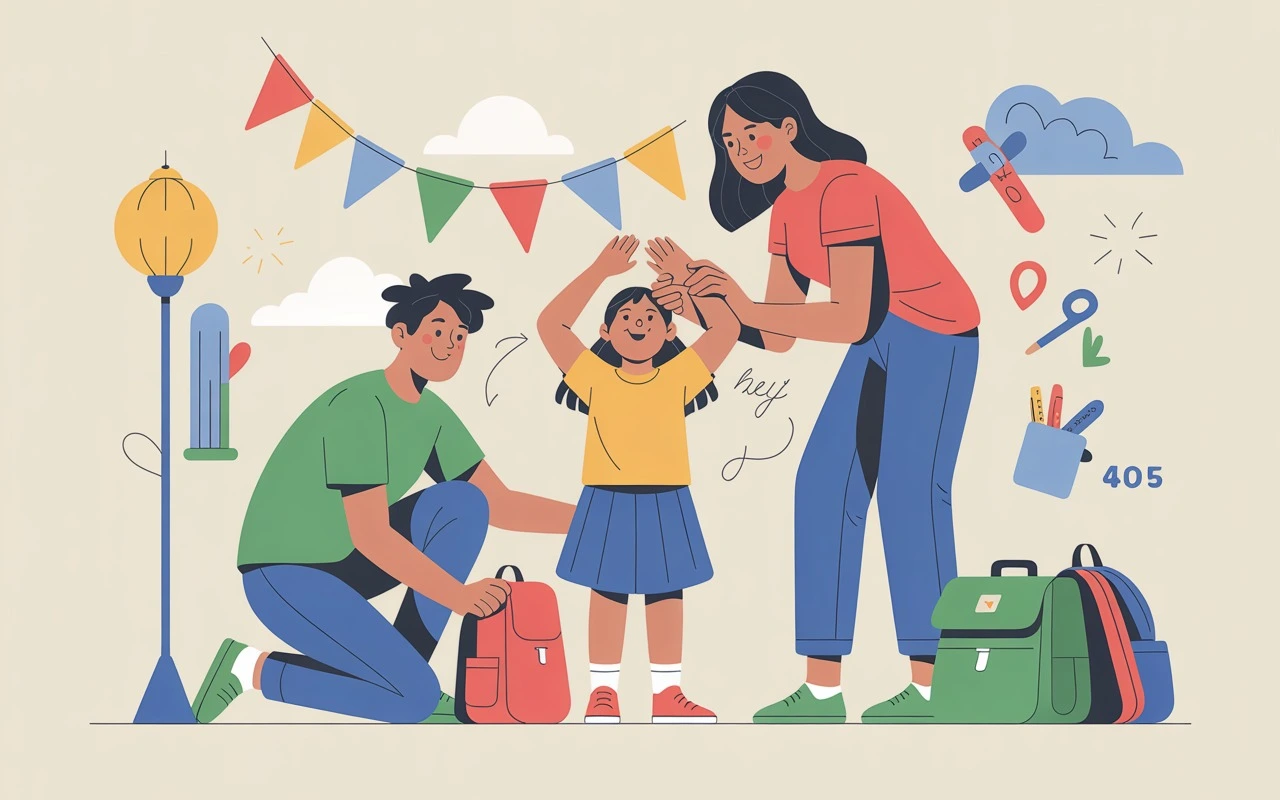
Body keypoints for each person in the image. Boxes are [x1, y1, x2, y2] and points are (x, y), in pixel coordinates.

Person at [646, 71, 981, 724]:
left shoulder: (846, 187)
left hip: (935, 332)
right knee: (824, 486)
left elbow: (850, 317)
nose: (740, 149)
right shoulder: (786, 211)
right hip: (882, 337)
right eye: (728, 140)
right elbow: (779, 334)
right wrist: (699, 311)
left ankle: (938, 686)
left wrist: (736, 302)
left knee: (912, 494)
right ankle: (823, 690)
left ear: (789, 127)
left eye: (751, 132)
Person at [190, 273, 577, 724]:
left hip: (346, 565)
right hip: (285, 572)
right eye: (438, 330)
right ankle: (249, 668)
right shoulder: (360, 405)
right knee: (411, 702)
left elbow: (499, 502)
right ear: (401, 334)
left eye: (460, 336)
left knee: (465, 504)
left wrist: (597, 517)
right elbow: (372, 534)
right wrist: (459, 597)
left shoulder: (432, 414)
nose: (451, 344)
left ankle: (403, 673)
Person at [536, 235, 739, 724]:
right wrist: (599, 270)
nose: (638, 324)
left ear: (670, 330)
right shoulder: (592, 374)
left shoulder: (680, 374)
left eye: (649, 318)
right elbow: (550, 324)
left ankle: (667, 695)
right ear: (605, 330)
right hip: (605, 497)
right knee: (607, 592)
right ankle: (602, 693)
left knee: (667, 592)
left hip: (667, 497)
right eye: (626, 318)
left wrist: (688, 280)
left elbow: (728, 327)